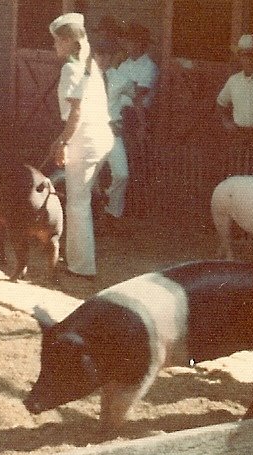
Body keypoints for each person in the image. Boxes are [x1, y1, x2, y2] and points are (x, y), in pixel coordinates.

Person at [49, 12, 114, 280]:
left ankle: (81, 266)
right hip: (101, 138)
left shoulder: (70, 68)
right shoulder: (90, 64)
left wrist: (62, 142)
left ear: (67, 40)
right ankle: (79, 258)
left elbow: (76, 113)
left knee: (77, 203)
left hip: (85, 140)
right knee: (82, 199)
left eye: (57, 40)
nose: (54, 45)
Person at [116, 21, 159, 216]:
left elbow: (138, 94)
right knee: (121, 160)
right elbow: (115, 91)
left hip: (138, 116)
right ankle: (122, 205)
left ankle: (138, 207)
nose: (129, 45)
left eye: (133, 41)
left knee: (137, 161)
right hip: (121, 114)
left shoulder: (149, 67)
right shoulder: (123, 65)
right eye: (127, 41)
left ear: (142, 44)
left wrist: (125, 89)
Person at [92, 37, 130, 234]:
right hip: (92, 132)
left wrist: (138, 122)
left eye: (107, 55)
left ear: (112, 57)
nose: (103, 59)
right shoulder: (86, 78)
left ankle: (111, 212)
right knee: (90, 176)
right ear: (94, 55)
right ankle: (92, 213)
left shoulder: (120, 78)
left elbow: (136, 97)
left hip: (113, 132)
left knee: (122, 174)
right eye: (99, 55)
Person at [216, 34, 253, 148]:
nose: (248, 59)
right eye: (244, 55)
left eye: (251, 54)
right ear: (239, 57)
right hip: (239, 137)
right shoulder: (233, 81)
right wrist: (226, 122)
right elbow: (220, 103)